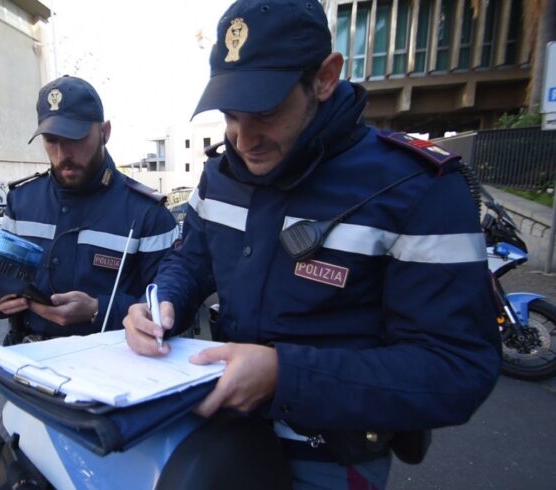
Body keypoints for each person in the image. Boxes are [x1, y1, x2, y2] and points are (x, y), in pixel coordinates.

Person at [123, 0, 501, 488]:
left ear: (325, 77)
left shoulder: (417, 187)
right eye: (230, 114)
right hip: (221, 433)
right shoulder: (220, 177)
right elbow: (191, 262)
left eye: (264, 111)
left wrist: (285, 375)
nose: (243, 139)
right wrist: (162, 303)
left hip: (332, 457)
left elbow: (457, 368)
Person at [0, 75, 178, 342]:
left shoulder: (148, 213)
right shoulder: (20, 202)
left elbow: (168, 304)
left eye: (75, 138)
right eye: (51, 140)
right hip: (26, 361)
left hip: (113, 369)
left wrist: (98, 310)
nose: (62, 154)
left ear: (105, 132)